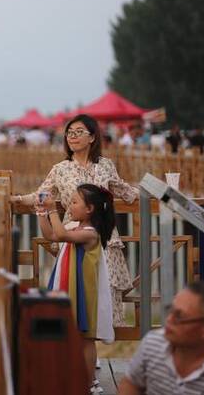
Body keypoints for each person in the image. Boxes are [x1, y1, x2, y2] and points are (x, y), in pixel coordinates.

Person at [11, 114, 138, 327]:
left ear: (92, 137)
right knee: (77, 291)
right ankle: (81, 353)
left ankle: (94, 355)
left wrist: (160, 193)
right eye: (69, 133)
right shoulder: (61, 169)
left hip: (104, 235)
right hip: (74, 235)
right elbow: (42, 194)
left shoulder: (105, 165)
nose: (72, 137)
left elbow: (124, 189)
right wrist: (19, 199)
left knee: (102, 292)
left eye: (79, 132)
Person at [37, 184, 115, 394]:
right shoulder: (73, 225)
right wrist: (41, 212)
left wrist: (53, 208)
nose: (69, 206)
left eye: (73, 202)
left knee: (86, 338)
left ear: (89, 209)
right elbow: (51, 236)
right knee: (71, 333)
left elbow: (60, 235)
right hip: (69, 286)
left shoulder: (91, 233)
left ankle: (90, 382)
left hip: (85, 291)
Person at [118, 281, 204, 394]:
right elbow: (131, 383)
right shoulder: (153, 343)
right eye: (170, 310)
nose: (168, 320)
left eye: (179, 316)